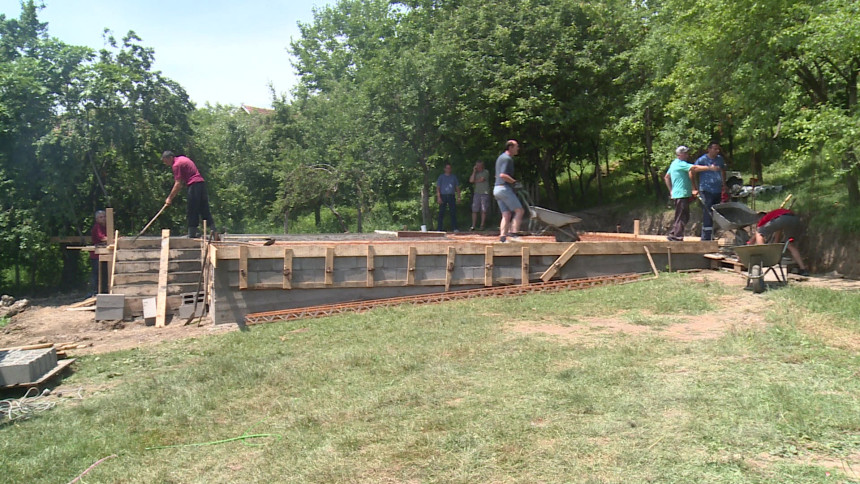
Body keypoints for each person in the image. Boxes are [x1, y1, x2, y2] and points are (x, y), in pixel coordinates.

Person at [664, 146, 721, 241]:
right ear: (680, 154)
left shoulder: (674, 163)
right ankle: (676, 236)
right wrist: (709, 168)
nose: (687, 155)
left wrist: (671, 191)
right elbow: (694, 168)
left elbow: (666, 177)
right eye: (685, 153)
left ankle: (674, 233)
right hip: (681, 194)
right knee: (682, 216)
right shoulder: (680, 164)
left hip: (681, 194)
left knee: (683, 216)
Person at [162, 151, 216, 238]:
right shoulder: (182, 158)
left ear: (170, 158)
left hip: (194, 184)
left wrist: (169, 198)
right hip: (201, 184)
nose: (166, 164)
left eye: (166, 161)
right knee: (204, 209)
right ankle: (214, 230)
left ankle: (192, 233)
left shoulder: (176, 165)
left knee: (192, 209)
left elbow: (178, 184)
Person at [750, 208, 809, 276]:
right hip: (795, 219)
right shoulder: (774, 215)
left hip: (782, 218)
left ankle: (764, 257)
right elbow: (779, 231)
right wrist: (776, 246)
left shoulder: (763, 221)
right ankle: (803, 269)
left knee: (759, 233)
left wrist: (748, 246)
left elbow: (754, 237)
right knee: (790, 244)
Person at [693, 141, 727, 240]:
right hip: (706, 190)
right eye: (715, 149)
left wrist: (724, 185)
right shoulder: (702, 159)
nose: (717, 151)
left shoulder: (719, 159)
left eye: (718, 149)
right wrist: (708, 168)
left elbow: (723, 170)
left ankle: (712, 234)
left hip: (717, 190)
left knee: (715, 213)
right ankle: (706, 238)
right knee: (707, 212)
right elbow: (693, 169)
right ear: (709, 149)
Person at [493, 140, 525, 242]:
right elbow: (503, 175)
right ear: (510, 148)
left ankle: (502, 238)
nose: (518, 149)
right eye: (516, 147)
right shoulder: (507, 159)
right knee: (519, 211)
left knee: (506, 214)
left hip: (497, 188)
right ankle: (514, 234)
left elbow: (498, 175)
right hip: (503, 188)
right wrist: (514, 182)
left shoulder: (500, 157)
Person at [88, 210, 107, 297]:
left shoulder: (107, 227)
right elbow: (102, 238)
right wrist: (113, 239)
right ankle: (94, 292)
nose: (103, 219)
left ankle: (104, 291)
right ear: (97, 219)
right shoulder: (97, 227)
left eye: (104, 217)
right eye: (101, 217)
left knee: (104, 273)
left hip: (105, 254)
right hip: (97, 254)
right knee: (96, 274)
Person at [436, 163, 461, 232]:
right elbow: (438, 188)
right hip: (443, 195)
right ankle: (439, 228)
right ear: (444, 169)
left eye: (449, 168)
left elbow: (457, 187)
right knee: (441, 212)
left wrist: (459, 197)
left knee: (453, 212)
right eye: (447, 168)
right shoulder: (441, 177)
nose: (448, 169)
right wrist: (438, 197)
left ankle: (455, 228)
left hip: (451, 195)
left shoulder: (453, 177)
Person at [469, 160, 491, 231]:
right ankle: (473, 225)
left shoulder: (486, 172)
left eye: (479, 165)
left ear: (482, 165)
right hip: (477, 193)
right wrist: (474, 171)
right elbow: (471, 180)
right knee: (474, 209)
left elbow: (482, 180)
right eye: (476, 165)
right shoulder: (475, 173)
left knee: (483, 210)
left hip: (484, 193)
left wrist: (475, 181)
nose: (477, 167)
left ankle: (482, 225)